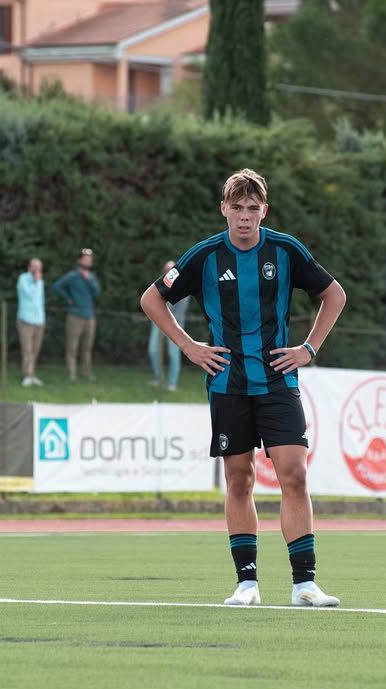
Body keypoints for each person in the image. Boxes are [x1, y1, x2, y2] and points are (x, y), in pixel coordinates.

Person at [140, 168, 347, 608]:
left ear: (264, 211)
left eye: (253, 208)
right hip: (228, 383)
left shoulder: (286, 250)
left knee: (295, 474)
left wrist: (309, 348)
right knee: (239, 479)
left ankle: (304, 584)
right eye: (237, 208)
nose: (245, 216)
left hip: (277, 379)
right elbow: (152, 298)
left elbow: (335, 295)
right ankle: (247, 584)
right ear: (224, 210)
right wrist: (190, 346)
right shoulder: (205, 255)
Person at [52, 248, 101, 382]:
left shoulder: (92, 277)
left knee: (87, 348)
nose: (88, 261)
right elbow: (57, 286)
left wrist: (89, 280)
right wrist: (68, 298)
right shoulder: (72, 276)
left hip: (89, 316)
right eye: (85, 258)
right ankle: (71, 373)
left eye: (89, 259)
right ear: (79, 261)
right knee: (72, 347)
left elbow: (97, 293)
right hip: (75, 316)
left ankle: (86, 373)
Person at [147, 260, 190, 392]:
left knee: (173, 354)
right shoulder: (159, 286)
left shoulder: (183, 287)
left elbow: (178, 310)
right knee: (153, 350)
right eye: (166, 269)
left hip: (175, 324)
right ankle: (158, 378)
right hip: (158, 322)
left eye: (171, 269)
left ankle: (172, 383)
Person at [16, 258, 46, 387]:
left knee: (35, 349)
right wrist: (35, 281)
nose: (37, 269)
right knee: (27, 349)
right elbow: (30, 295)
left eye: (39, 267)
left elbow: (40, 301)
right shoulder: (23, 279)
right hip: (26, 320)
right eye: (35, 266)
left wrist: (43, 317)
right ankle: (27, 375)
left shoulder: (40, 282)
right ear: (29, 267)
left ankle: (32, 374)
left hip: (39, 320)